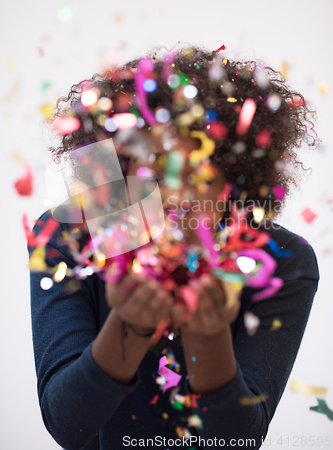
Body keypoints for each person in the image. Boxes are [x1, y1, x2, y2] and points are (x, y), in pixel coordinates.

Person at [29, 46, 320, 450]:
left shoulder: (280, 259)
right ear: (123, 169)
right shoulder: (69, 236)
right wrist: (129, 326)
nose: (175, 194)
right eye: (155, 167)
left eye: (198, 169)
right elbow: (68, 424)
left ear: (237, 178)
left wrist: (208, 335)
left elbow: (239, 438)